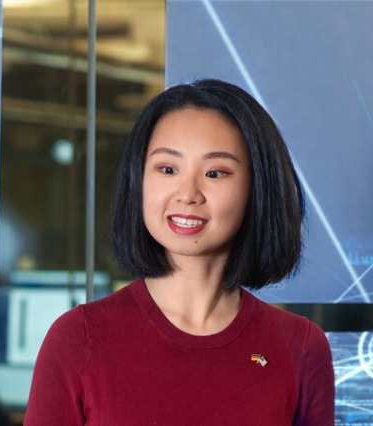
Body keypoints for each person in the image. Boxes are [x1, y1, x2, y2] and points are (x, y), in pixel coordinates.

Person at [23, 79, 335, 425]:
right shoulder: (78, 339)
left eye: (215, 173)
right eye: (167, 169)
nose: (188, 194)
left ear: (257, 189)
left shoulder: (302, 347)